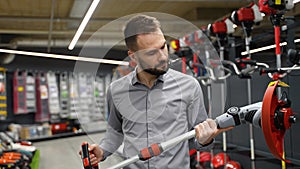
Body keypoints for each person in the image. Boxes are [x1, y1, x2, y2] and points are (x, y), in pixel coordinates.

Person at [79, 14, 225, 169]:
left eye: (163, 47)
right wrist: (102, 151)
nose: (162, 57)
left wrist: (205, 140)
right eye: (151, 53)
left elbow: (200, 140)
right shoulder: (116, 91)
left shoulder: (189, 86)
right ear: (133, 56)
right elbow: (115, 132)